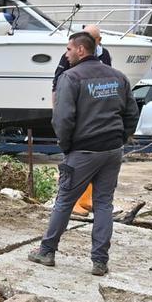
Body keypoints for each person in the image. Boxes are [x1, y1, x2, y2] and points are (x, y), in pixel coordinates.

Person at [28, 31, 139, 276]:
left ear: (80, 50)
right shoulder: (118, 77)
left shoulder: (71, 77)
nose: (65, 55)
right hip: (112, 150)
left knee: (64, 201)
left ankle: (46, 251)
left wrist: (66, 146)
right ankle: (100, 262)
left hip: (83, 150)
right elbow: (131, 113)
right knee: (103, 204)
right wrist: (120, 138)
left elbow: (62, 117)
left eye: (68, 49)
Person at [52, 25, 113, 216]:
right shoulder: (69, 60)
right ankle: (76, 203)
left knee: (90, 170)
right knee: (74, 168)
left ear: (98, 41)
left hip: (95, 120)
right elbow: (57, 84)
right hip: (81, 119)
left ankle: (85, 201)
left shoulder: (105, 56)